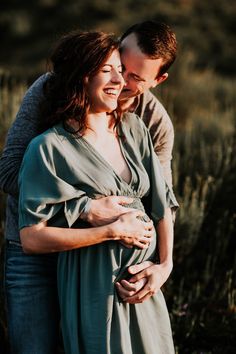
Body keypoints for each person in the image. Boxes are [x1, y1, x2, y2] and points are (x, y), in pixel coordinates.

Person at [0, 21, 177, 353]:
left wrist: (163, 265)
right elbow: (10, 172)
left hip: (119, 275)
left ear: (157, 81)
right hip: (40, 260)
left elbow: (161, 199)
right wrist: (84, 208)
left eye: (135, 77)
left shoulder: (148, 125)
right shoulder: (50, 93)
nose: (121, 79)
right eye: (116, 66)